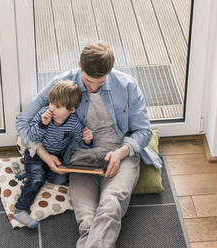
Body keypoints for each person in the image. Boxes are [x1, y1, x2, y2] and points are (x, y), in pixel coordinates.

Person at [16, 41, 162, 247]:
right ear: (79, 65)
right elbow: (23, 121)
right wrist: (43, 154)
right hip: (80, 158)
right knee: (86, 218)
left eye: (100, 83)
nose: (93, 87)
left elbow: (143, 131)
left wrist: (120, 153)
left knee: (111, 207)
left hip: (121, 153)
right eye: (87, 81)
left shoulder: (128, 85)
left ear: (110, 71)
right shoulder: (62, 84)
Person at [13, 80, 93, 229]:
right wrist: (42, 124)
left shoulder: (74, 123)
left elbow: (79, 143)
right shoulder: (43, 115)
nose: (51, 108)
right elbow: (31, 137)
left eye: (57, 106)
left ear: (71, 110)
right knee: (37, 179)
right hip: (36, 155)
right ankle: (20, 209)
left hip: (57, 156)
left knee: (59, 178)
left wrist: (87, 140)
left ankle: (30, 174)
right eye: (51, 103)